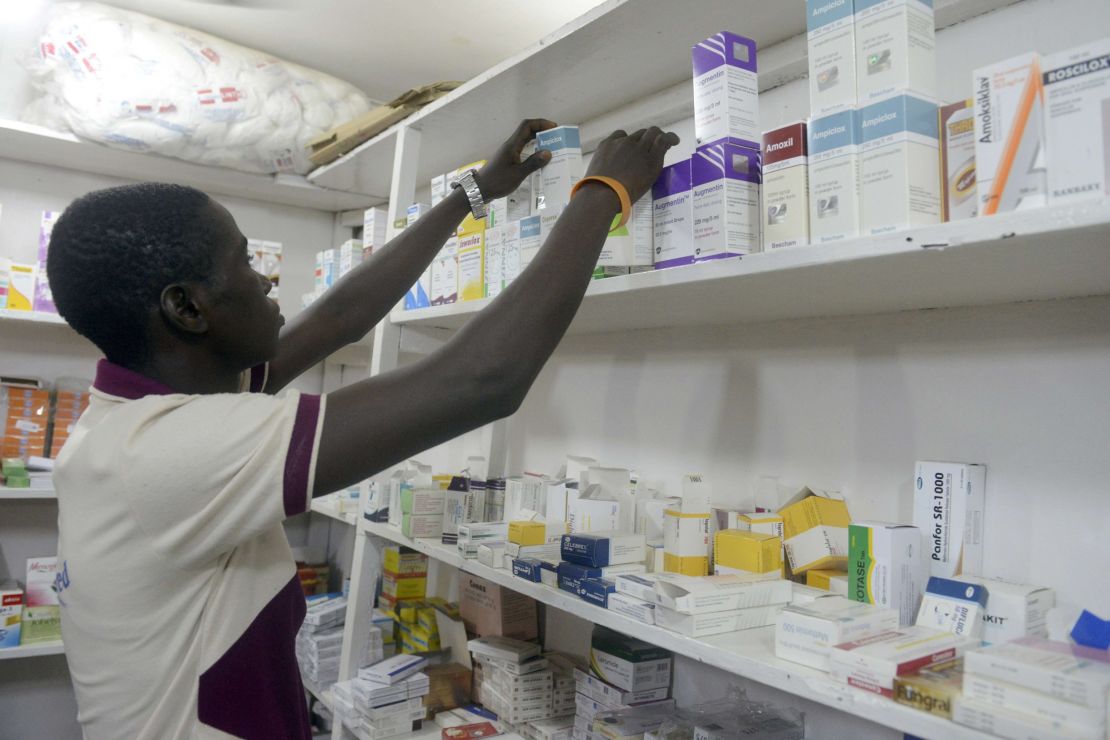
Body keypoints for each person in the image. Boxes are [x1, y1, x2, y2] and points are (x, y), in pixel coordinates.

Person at [46, 119, 679, 739]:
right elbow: (482, 381)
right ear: (187, 308)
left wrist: (477, 191)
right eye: (243, 262)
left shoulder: (153, 408)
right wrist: (604, 194)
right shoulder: (167, 450)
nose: (265, 280)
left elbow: (340, 318)